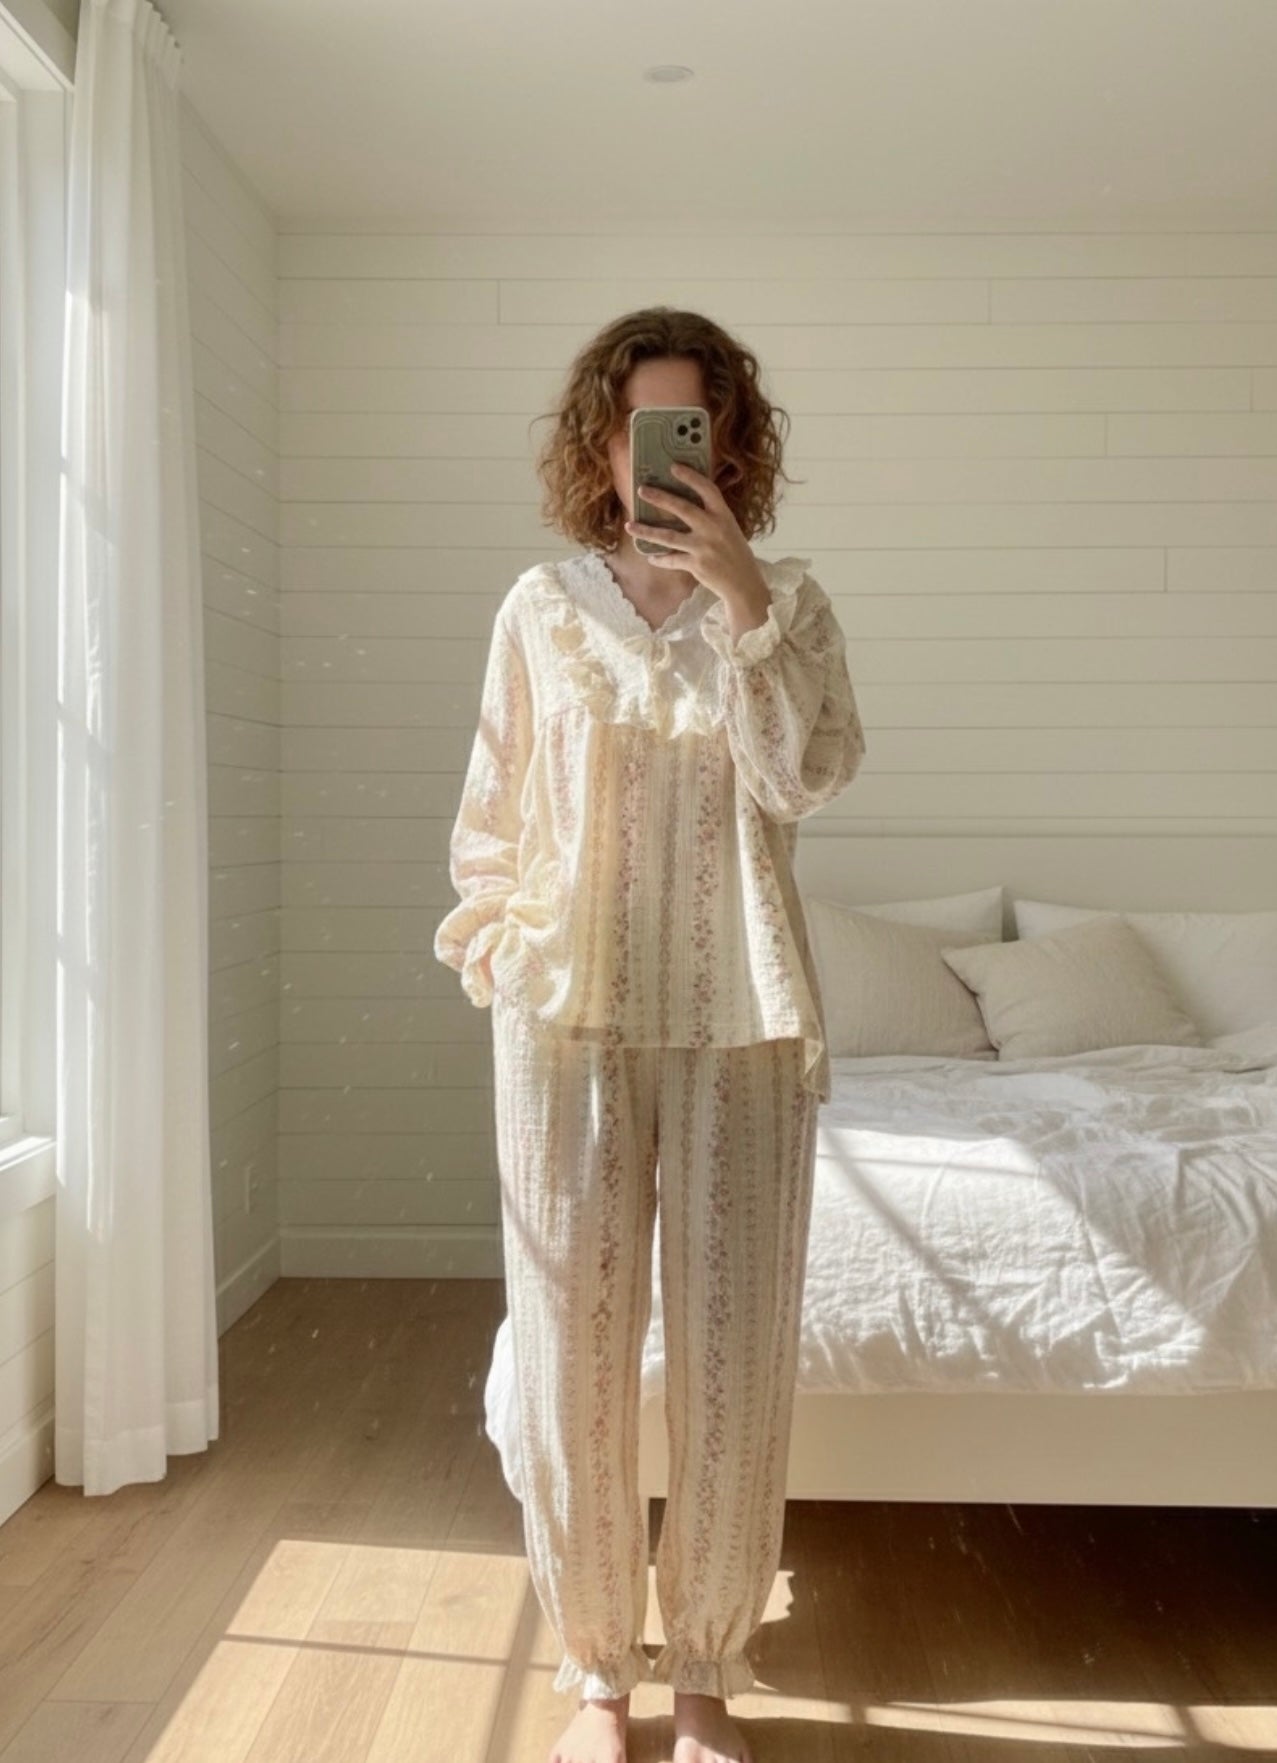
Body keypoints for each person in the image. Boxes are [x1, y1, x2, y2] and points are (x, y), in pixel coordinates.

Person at [434, 307, 866, 1763]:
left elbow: (802, 780)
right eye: (635, 428)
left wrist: (741, 597)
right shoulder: (541, 607)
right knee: (571, 1358)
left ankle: (705, 1680)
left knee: (735, 1363)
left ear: (728, 442)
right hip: (568, 1019)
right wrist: (502, 946)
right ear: (600, 443)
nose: (658, 453)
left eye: (688, 423)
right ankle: (597, 1680)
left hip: (744, 1021)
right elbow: (493, 807)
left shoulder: (787, 603)